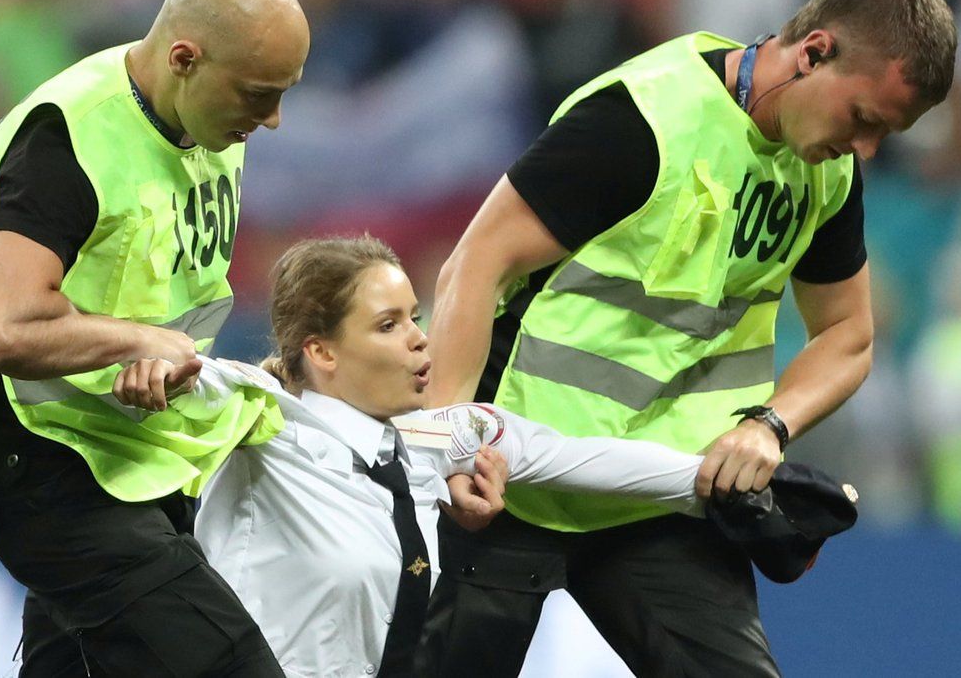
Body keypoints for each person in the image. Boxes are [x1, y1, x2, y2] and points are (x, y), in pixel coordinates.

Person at [421, 0, 958, 676]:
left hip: (658, 492)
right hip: (513, 476)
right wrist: (447, 451)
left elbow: (847, 335)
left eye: (886, 133)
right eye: (863, 119)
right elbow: (475, 264)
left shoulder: (826, 175)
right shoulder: (643, 120)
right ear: (813, 52)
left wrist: (769, 425)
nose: (865, 150)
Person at [0, 0, 310, 677]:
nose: (272, 119)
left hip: (132, 453)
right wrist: (138, 342)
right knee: (233, 665)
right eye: (259, 95)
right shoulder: (70, 139)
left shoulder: (206, 124)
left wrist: (183, 361)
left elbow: (164, 289)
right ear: (184, 58)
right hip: (46, 460)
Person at [113, 235, 710, 678]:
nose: (419, 338)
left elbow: (577, 459)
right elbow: (202, 379)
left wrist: (723, 478)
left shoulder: (431, 439)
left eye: (416, 318)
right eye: (388, 324)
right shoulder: (267, 423)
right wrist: (158, 371)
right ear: (320, 351)